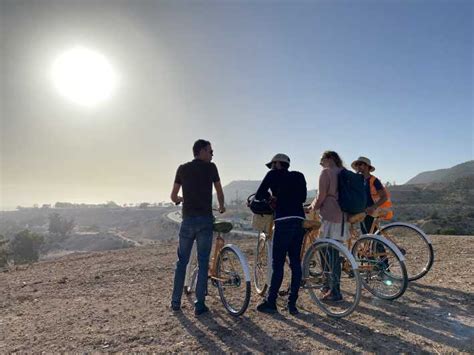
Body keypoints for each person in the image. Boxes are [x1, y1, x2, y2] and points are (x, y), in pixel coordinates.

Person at [170, 139, 225, 316]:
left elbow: (173, 196)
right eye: (210, 151)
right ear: (201, 151)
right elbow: (218, 190)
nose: (212, 154)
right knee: (202, 263)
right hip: (205, 221)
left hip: (187, 221)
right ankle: (199, 305)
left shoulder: (182, 168)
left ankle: (175, 302)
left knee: (182, 262)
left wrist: (182, 199)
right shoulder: (211, 168)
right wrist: (222, 206)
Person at [255, 153, 307, 315]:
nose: (271, 167)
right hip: (299, 220)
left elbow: (259, 194)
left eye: (272, 165)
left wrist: (272, 198)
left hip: (283, 220)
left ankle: (271, 302)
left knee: (278, 264)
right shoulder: (299, 176)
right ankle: (292, 305)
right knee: (295, 263)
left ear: (277, 163)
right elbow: (303, 197)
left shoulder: (273, 174)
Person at [308, 151, 349, 302]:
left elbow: (321, 196)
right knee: (334, 253)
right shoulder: (344, 172)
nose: (320, 163)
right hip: (343, 216)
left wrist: (311, 207)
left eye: (321, 160)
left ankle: (334, 291)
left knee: (326, 252)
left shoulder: (326, 172)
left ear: (329, 158)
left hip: (330, 215)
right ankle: (329, 286)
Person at [351, 156, 393, 234]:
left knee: (374, 239)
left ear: (367, 166)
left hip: (372, 213)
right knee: (366, 237)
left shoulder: (374, 181)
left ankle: (379, 246)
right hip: (362, 212)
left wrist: (373, 207)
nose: (358, 167)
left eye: (360, 164)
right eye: (357, 165)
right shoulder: (359, 181)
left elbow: (384, 197)